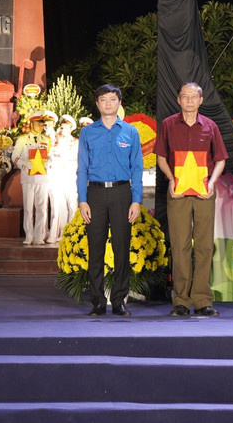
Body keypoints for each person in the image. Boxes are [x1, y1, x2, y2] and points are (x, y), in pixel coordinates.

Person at [155, 82, 227, 317]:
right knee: (180, 246)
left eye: (193, 97)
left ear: (200, 101)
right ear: (178, 100)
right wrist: (170, 178)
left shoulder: (210, 126)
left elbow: (220, 160)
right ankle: (182, 301)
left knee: (205, 246)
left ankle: (203, 300)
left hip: (204, 193)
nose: (189, 100)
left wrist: (213, 182)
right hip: (178, 192)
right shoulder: (168, 125)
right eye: (184, 96)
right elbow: (162, 157)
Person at [77, 83, 143, 316]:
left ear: (119, 103)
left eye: (112, 99)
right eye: (103, 99)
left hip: (122, 194)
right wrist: (82, 200)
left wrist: (136, 200)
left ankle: (118, 300)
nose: (108, 103)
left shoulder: (130, 132)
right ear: (97, 104)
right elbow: (82, 168)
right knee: (95, 247)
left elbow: (137, 168)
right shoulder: (87, 132)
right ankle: (96, 300)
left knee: (121, 247)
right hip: (94, 194)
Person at [11, 113, 53, 244]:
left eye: (42, 123)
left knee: (42, 207)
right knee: (28, 208)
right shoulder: (23, 140)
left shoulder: (46, 140)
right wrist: (23, 164)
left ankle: (39, 236)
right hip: (28, 177)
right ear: (32, 124)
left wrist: (49, 161)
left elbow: (50, 155)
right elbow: (15, 156)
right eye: (39, 123)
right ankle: (28, 235)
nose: (41, 126)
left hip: (42, 177)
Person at [46, 114, 79, 243]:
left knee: (72, 205)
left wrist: (62, 155)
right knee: (57, 206)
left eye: (65, 127)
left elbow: (75, 157)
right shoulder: (54, 141)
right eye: (62, 127)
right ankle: (55, 233)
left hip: (70, 177)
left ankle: (72, 233)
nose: (62, 129)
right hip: (57, 176)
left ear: (71, 129)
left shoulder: (75, 142)